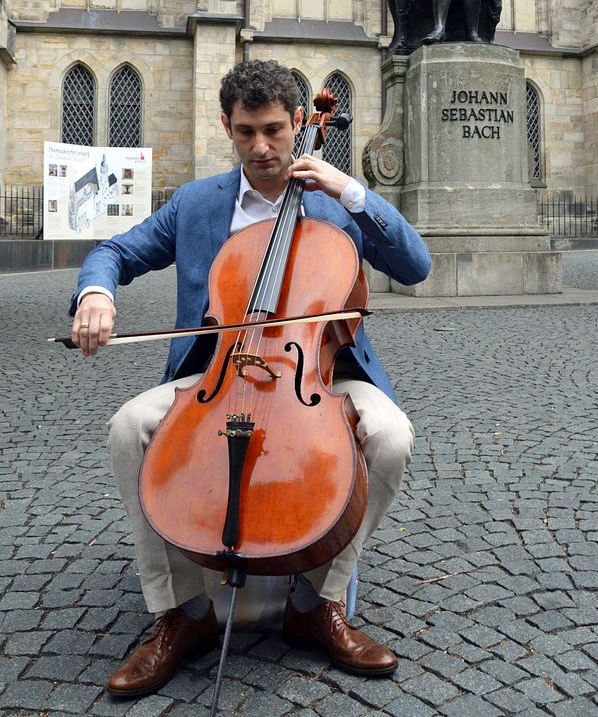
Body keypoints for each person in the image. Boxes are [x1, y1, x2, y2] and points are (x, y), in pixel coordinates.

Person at [70, 59, 431, 700]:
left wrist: (350, 191)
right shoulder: (197, 203)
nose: (261, 148)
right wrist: (96, 292)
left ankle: (317, 603)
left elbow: (416, 262)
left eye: (273, 130)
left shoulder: (337, 204)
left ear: (300, 122)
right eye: (245, 133)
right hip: (216, 374)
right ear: (226, 127)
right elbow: (117, 251)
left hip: (319, 373)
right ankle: (181, 613)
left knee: (392, 436)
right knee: (129, 427)